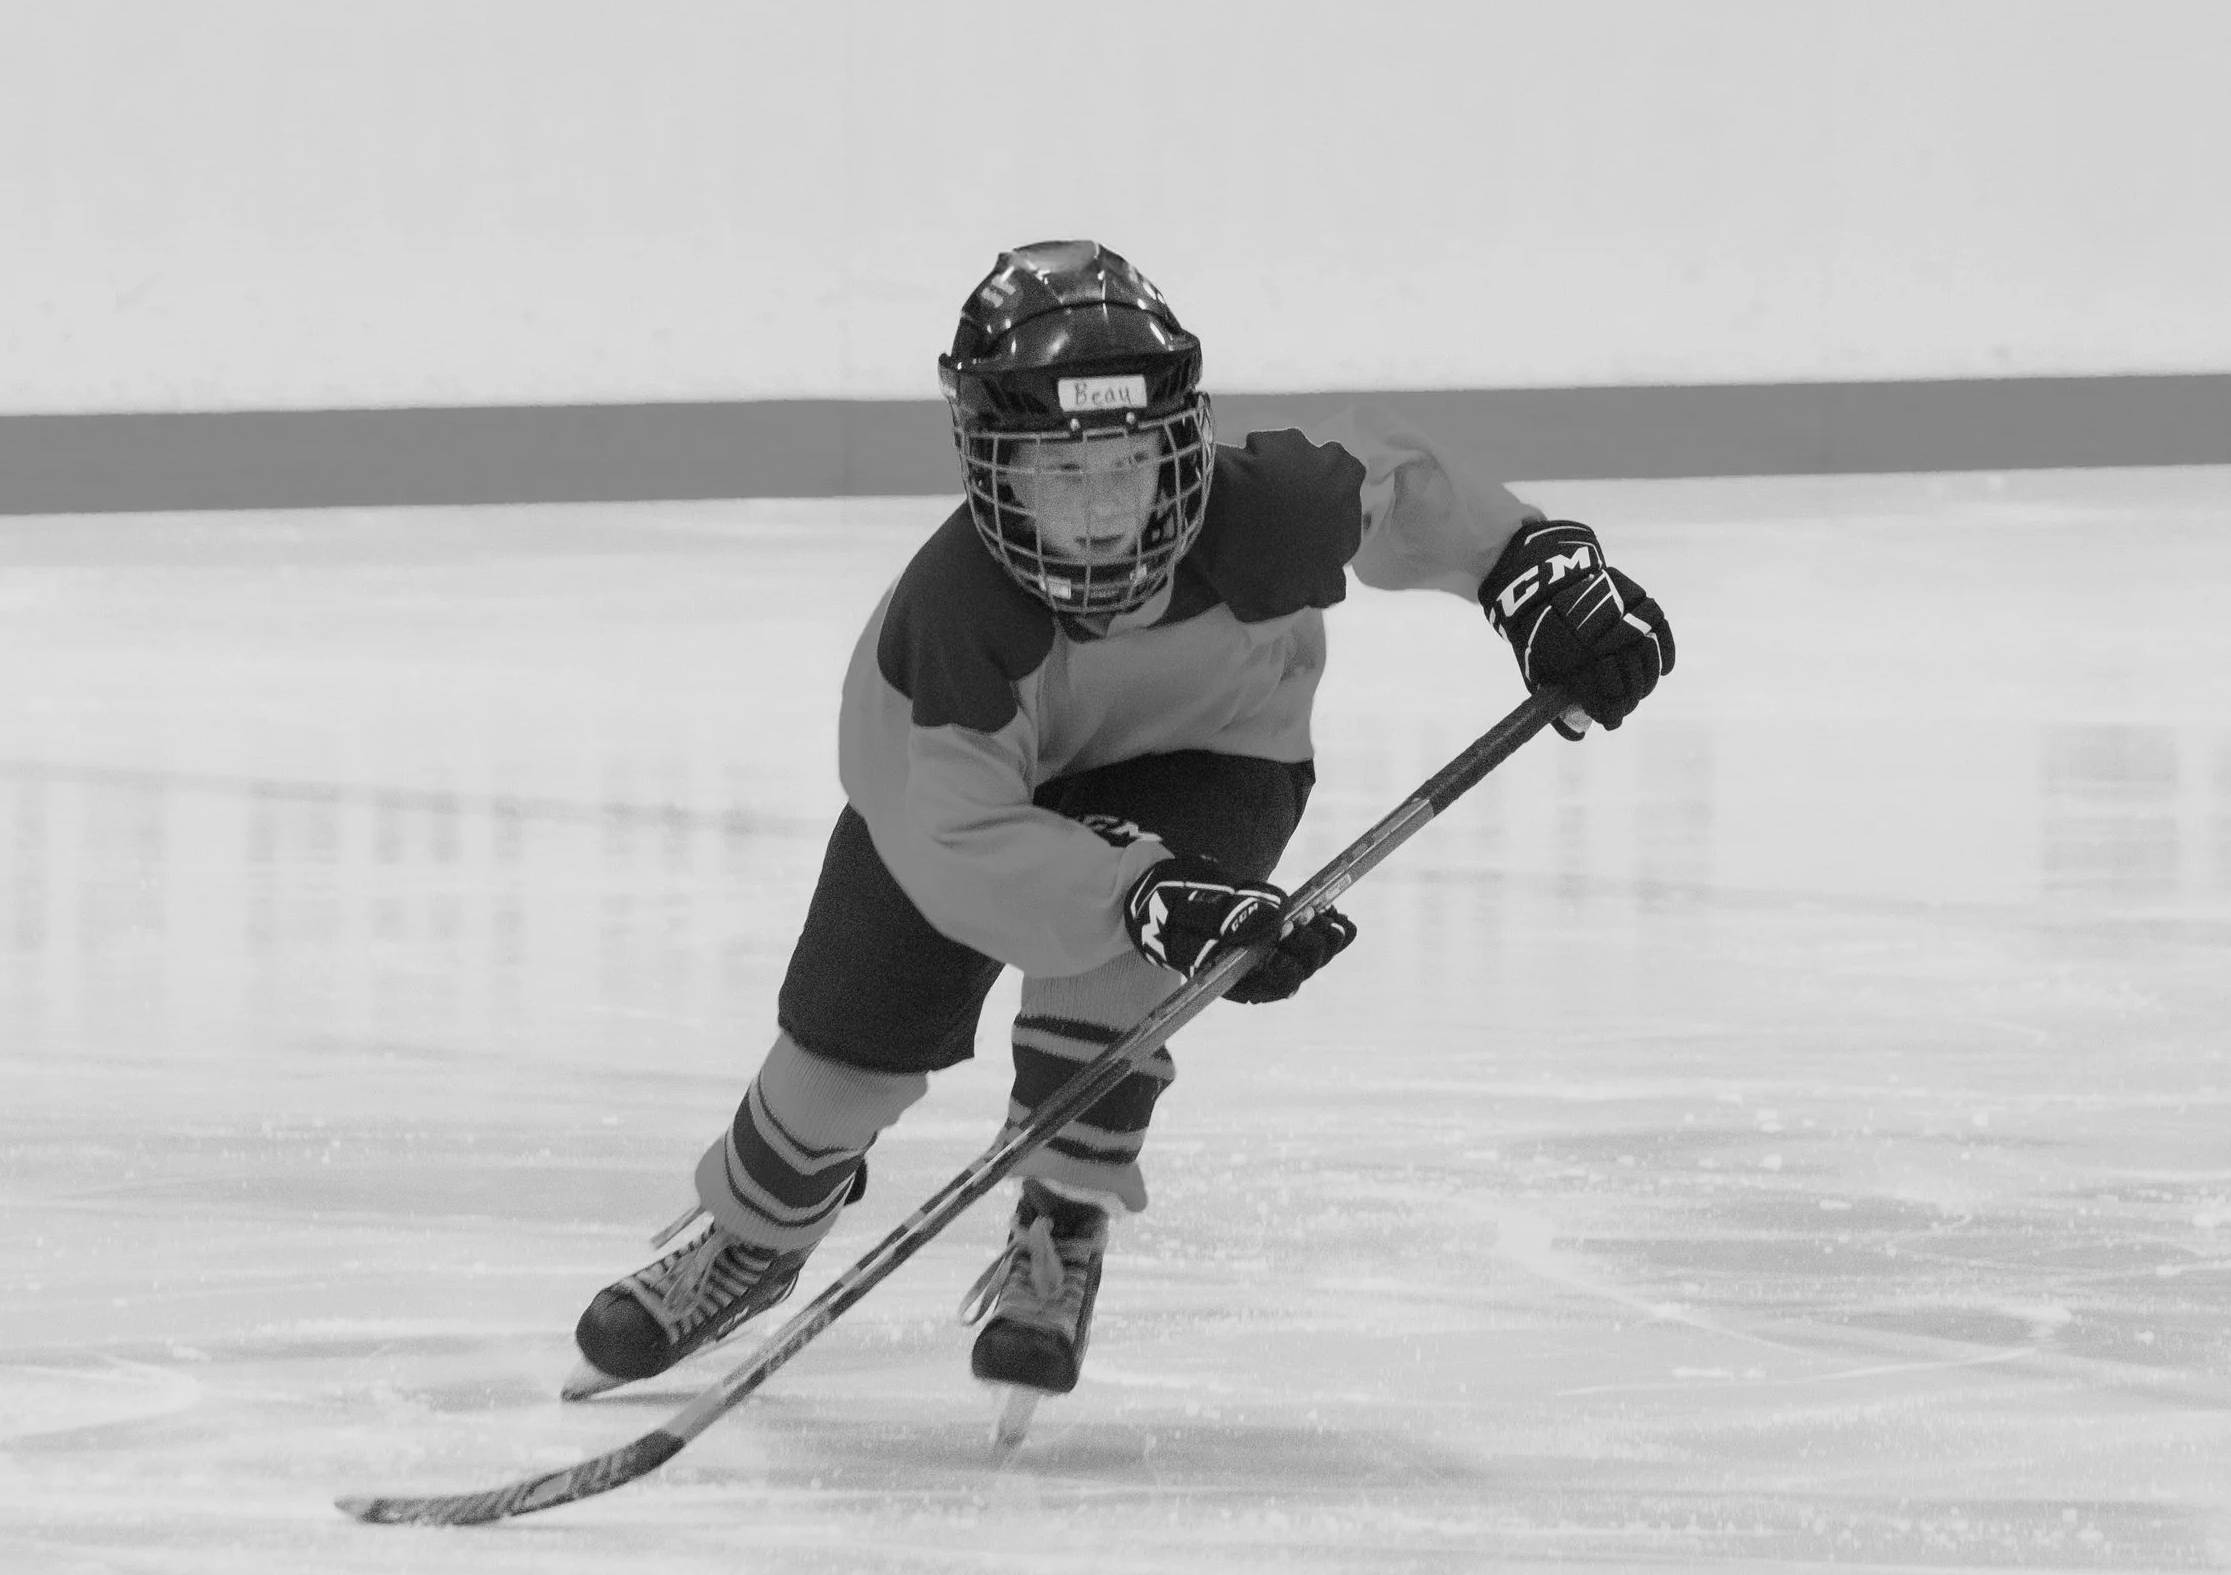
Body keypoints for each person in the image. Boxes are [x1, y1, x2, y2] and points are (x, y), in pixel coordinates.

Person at [566, 241, 1674, 1406]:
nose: (1099, 506)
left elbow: (1398, 477)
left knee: (1107, 986)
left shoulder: (1270, 517)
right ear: (995, 469)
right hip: (954, 817)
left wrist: (1531, 567)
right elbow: (961, 849)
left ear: (1177, 449)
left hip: (1210, 758)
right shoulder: (950, 628)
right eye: (1059, 472)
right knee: (844, 1044)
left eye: (1127, 462)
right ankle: (754, 1232)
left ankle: (1062, 1216)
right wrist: (1136, 891)